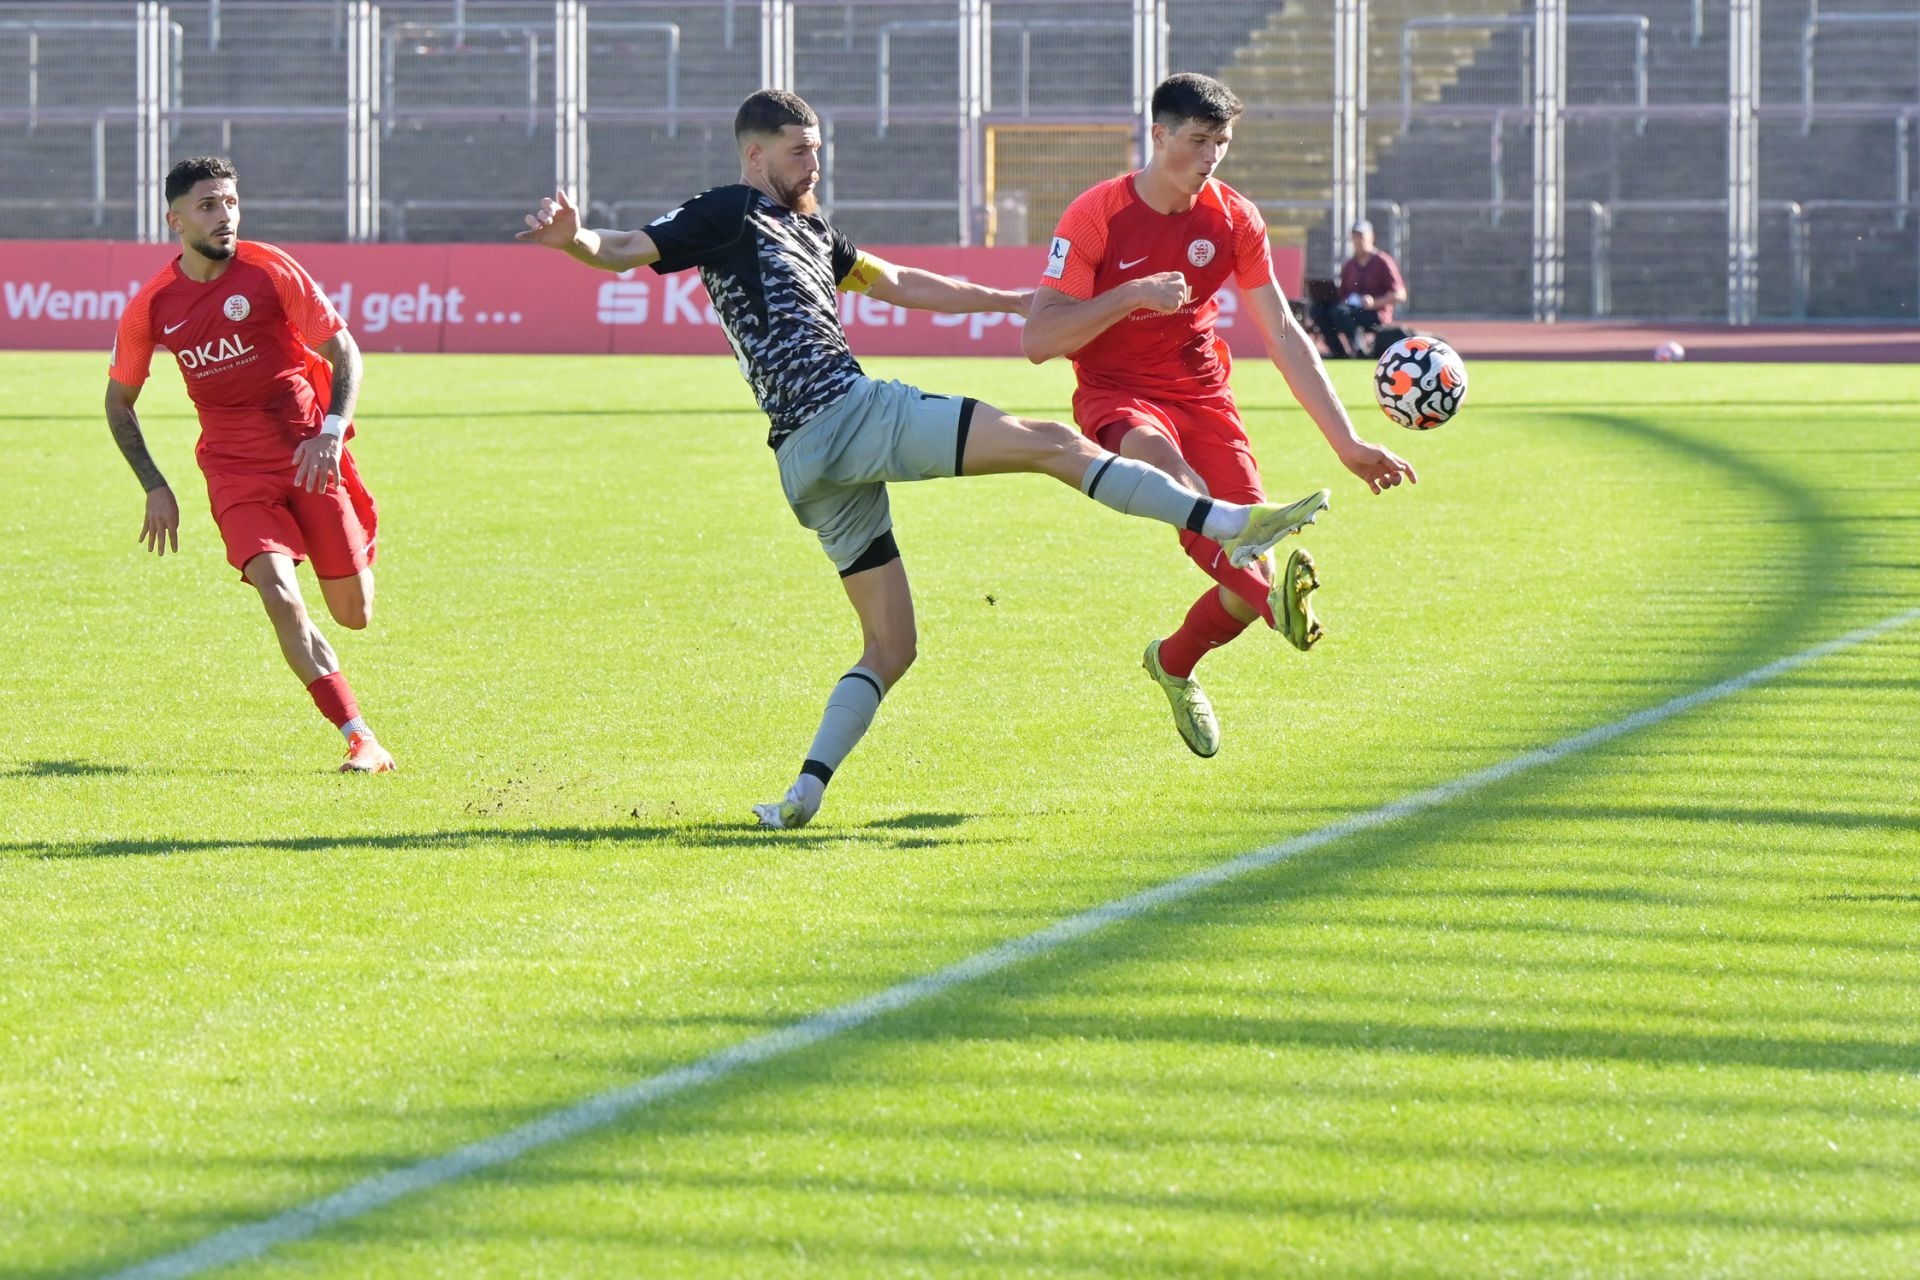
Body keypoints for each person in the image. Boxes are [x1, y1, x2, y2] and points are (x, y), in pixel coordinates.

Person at [517, 89, 1330, 828]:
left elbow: (899, 281)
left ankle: (802, 794)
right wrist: (574, 240)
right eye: (799, 153)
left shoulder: (812, 230)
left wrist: (1008, 300)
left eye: (818, 150)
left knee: (892, 646)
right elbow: (627, 245)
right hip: (846, 412)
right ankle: (1230, 522)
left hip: (805, 462)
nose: (813, 166)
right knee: (1053, 444)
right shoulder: (728, 209)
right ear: (755, 155)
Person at [1022, 73, 1417, 758]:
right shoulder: (1094, 215)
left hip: (1205, 396)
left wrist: (1348, 443)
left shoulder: (1234, 218)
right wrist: (1132, 294)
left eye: (1223, 142)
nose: (1211, 157)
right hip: (1119, 394)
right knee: (1179, 486)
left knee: (1242, 576)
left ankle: (1174, 661)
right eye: (1199, 140)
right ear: (1159, 136)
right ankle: (1278, 608)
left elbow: (1284, 334)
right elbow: (1039, 339)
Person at [105, 156, 397, 773]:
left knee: (354, 615)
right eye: (209, 205)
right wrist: (155, 485)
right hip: (235, 473)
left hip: (310, 456)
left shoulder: (270, 269)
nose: (225, 216)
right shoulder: (152, 305)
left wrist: (330, 433)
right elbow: (119, 401)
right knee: (280, 594)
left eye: (232, 203)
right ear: (176, 221)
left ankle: (344, 530)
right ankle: (360, 737)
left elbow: (344, 352)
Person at [1310, 218, 1408, 359]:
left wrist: (1374, 302)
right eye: (1355, 236)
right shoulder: (1350, 265)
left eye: (1361, 236)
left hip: (1374, 313)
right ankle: (1338, 352)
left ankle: (1359, 350)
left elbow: (1400, 294)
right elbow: (1343, 293)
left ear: (1372, 237)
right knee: (1319, 310)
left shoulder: (1383, 261)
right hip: (1350, 310)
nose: (1358, 240)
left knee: (1341, 312)